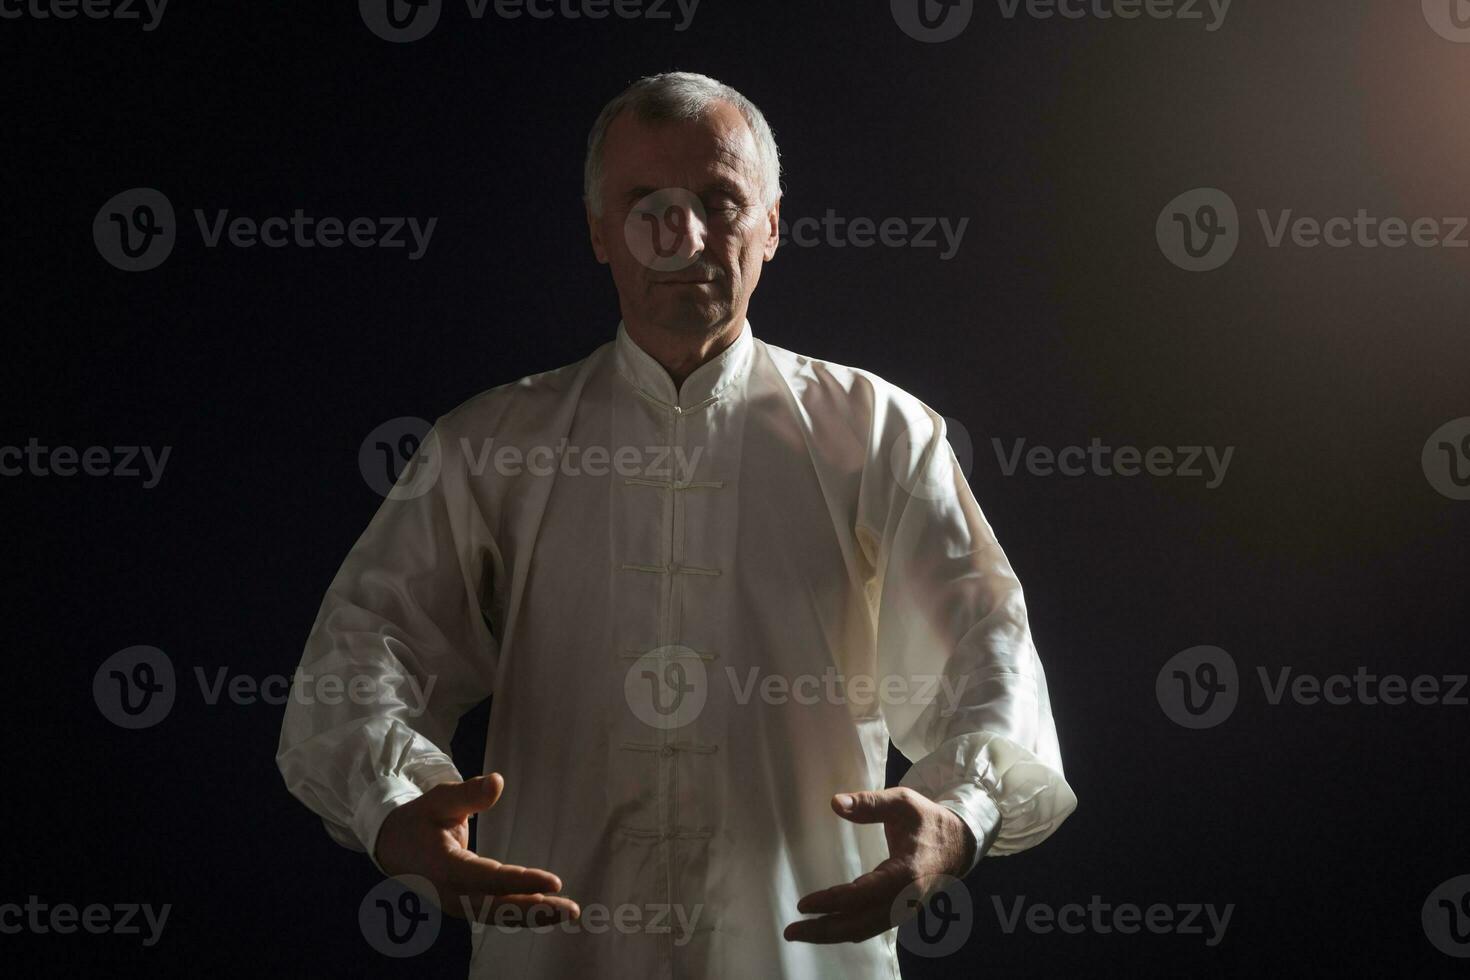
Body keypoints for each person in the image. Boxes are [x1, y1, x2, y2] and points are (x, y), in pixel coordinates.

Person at [277, 70, 1077, 979]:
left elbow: (988, 646)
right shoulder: (490, 447)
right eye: (644, 204)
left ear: (772, 225)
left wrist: (962, 814)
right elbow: (364, 646)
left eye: (719, 200)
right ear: (597, 232)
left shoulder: (881, 435)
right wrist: (392, 803)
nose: (682, 235)